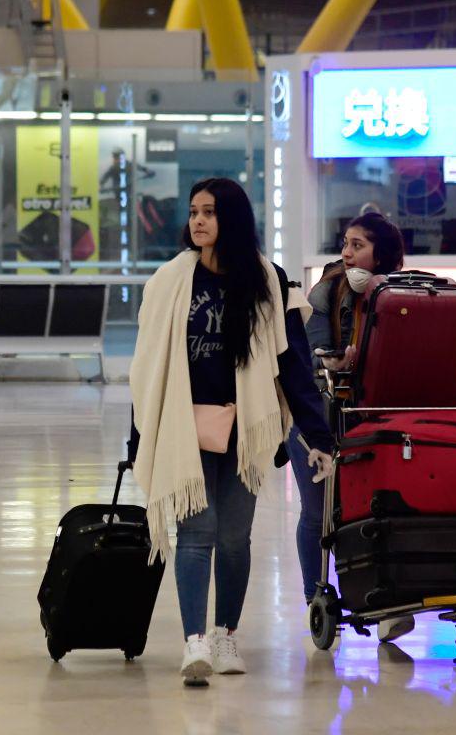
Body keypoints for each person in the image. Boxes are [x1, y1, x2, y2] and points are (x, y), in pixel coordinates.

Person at [127, 177, 334, 687]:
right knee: (197, 534)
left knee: (236, 539)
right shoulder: (169, 281)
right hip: (183, 424)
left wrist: (318, 434)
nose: (198, 221)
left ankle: (226, 634)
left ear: (233, 220)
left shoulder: (266, 280)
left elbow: (292, 364)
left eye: (210, 212)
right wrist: (139, 439)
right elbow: (147, 367)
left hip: (245, 428)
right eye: (194, 211)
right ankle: (194, 641)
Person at [285, 212, 409, 642]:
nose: (347, 252)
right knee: (318, 513)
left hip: (372, 421)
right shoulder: (329, 288)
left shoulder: (400, 294)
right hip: (316, 416)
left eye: (358, 245)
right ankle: (316, 597)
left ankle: (386, 602)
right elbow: (309, 350)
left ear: (383, 254)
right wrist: (332, 359)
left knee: (376, 510)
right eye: (346, 242)